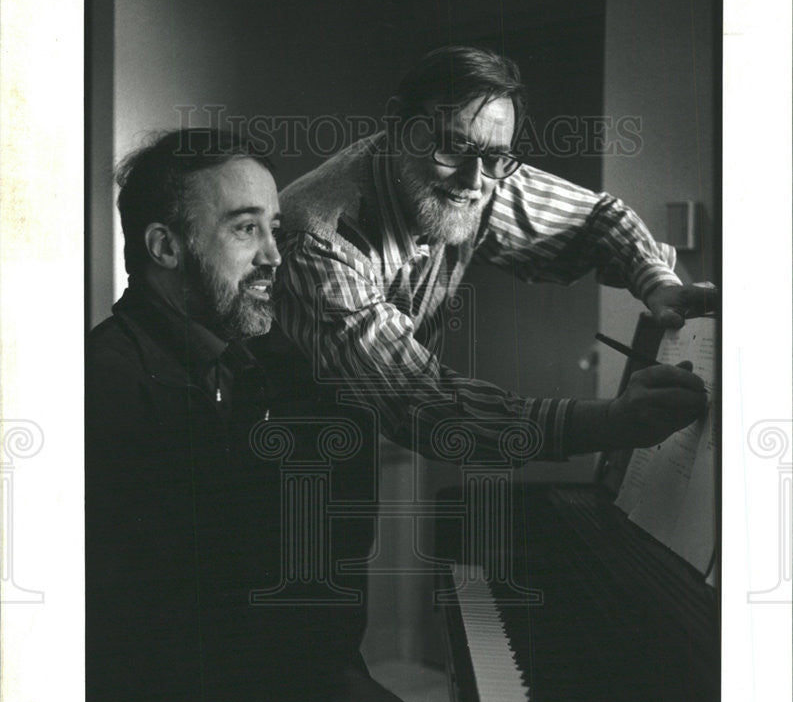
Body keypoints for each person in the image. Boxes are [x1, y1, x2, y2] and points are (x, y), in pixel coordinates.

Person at [86, 129, 441, 702]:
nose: (275, 255)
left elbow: (317, 562)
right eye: (245, 229)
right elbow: (162, 646)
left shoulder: (270, 366)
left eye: (275, 229)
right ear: (164, 247)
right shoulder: (98, 394)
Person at [276, 45, 714, 464]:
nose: (474, 182)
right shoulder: (317, 242)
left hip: (357, 433)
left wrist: (658, 284)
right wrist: (612, 423)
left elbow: (598, 219)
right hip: (276, 441)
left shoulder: (477, 173)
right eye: (451, 148)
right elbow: (421, 405)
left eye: (495, 157)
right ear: (395, 123)